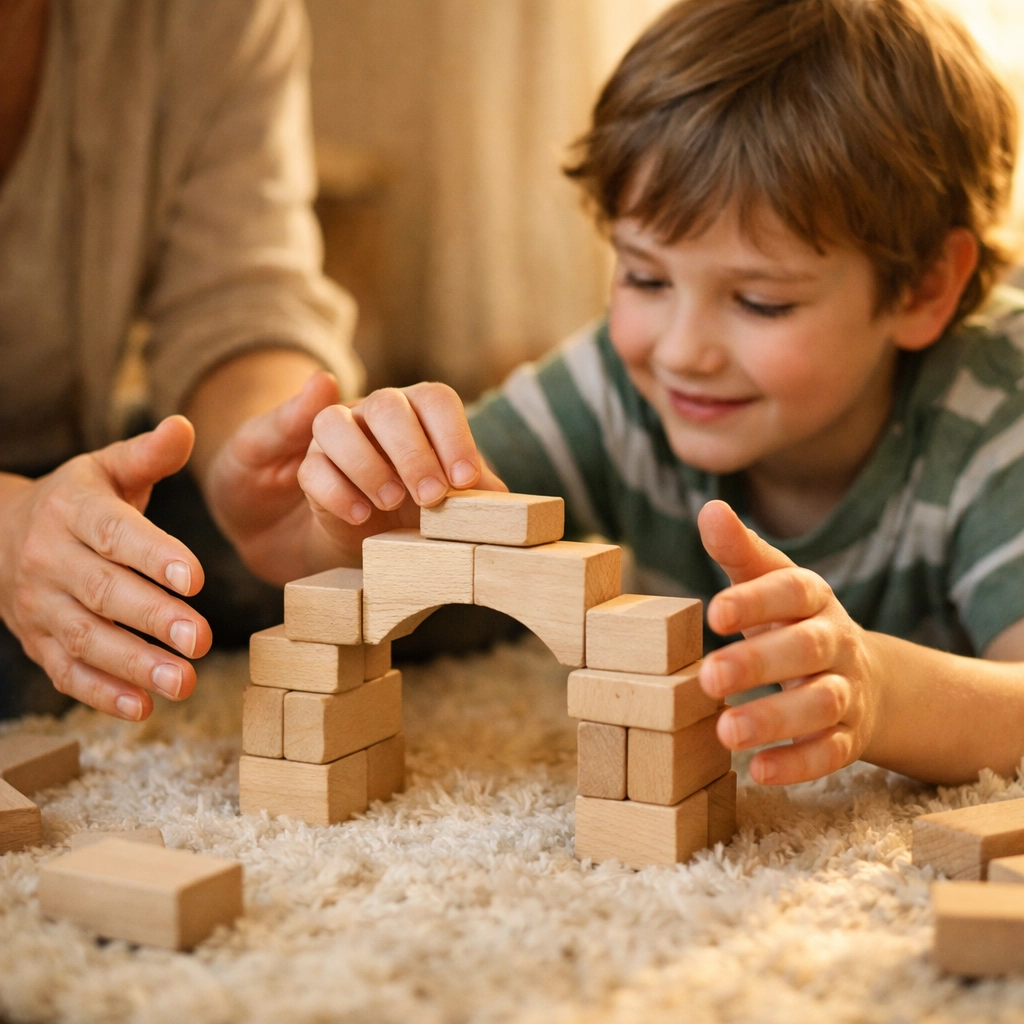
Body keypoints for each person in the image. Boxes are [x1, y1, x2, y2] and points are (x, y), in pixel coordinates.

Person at [296, 0, 1024, 788]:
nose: (680, 351)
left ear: (923, 288)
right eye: (645, 277)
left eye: (761, 302)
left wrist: (878, 691)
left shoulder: (996, 410)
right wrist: (373, 510)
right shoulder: (614, 381)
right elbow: (400, 537)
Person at [0, 0, 362, 720]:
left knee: (405, 585)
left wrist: (292, 457)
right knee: (30, 681)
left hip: (82, 466)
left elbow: (239, 296)